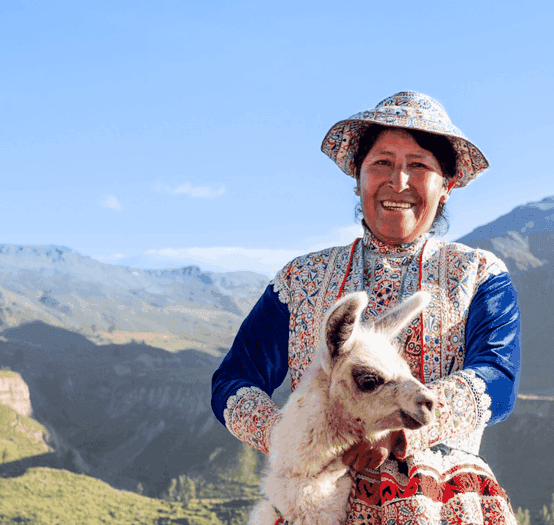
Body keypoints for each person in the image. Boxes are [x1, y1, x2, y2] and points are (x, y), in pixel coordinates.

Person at [211, 91, 521, 524]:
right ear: (357, 177)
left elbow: (498, 378)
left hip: (440, 503)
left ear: (446, 185)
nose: (398, 182)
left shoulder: (478, 275)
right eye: (381, 163)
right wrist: (298, 436)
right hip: (314, 503)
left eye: (419, 165)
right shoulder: (301, 279)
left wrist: (399, 435)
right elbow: (233, 380)